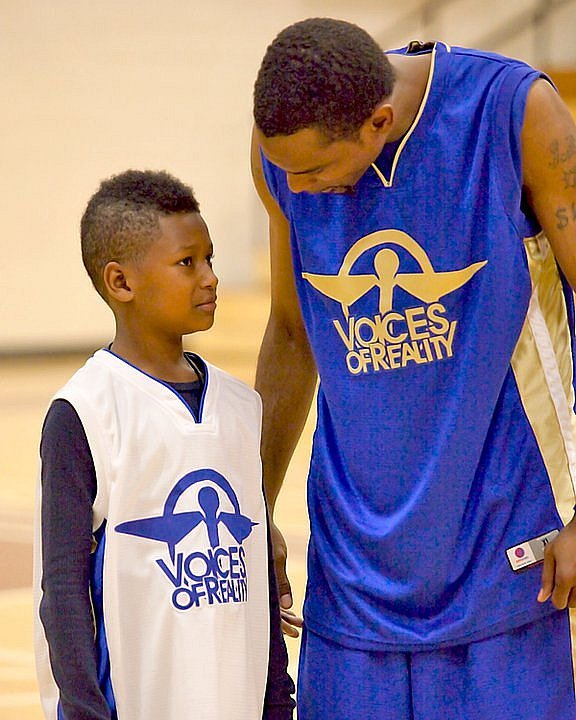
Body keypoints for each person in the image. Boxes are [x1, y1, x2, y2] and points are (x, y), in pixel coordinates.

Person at [251, 17, 576, 720]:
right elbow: (292, 333)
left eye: (313, 172)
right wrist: (254, 506)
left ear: (378, 122)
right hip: (352, 568)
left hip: (502, 549)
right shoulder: (281, 151)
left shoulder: (517, 113)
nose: (296, 188)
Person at [33, 169, 295, 720]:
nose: (210, 278)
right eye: (187, 263)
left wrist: (277, 701)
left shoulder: (241, 407)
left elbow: (257, 569)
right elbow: (62, 588)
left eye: (210, 259)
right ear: (121, 282)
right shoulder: (85, 411)